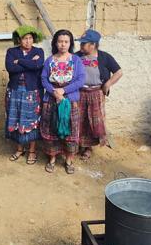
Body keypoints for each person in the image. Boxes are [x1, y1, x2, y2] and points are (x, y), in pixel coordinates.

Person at [40, 29, 86, 174]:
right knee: (51, 129)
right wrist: (54, 92)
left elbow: (81, 80)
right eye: (60, 41)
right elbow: (43, 79)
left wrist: (63, 91)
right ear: (55, 43)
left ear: (70, 43)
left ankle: (68, 160)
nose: (63, 44)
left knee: (71, 131)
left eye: (66, 42)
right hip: (51, 101)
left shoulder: (76, 60)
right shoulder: (50, 60)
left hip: (70, 101)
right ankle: (52, 159)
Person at [75, 29, 123, 161]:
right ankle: (77, 145)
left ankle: (88, 148)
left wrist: (108, 84)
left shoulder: (104, 57)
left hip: (96, 93)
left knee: (94, 121)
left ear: (93, 44)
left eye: (84, 44)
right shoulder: (77, 56)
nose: (81, 46)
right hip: (80, 93)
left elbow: (119, 72)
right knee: (79, 119)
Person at [4, 25, 45, 165]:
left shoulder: (39, 51)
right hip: (15, 91)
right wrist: (30, 62)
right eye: (24, 38)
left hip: (32, 92)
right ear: (18, 40)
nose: (28, 41)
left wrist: (20, 61)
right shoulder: (11, 51)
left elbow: (37, 66)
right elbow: (11, 68)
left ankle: (32, 151)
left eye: (30, 38)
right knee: (16, 119)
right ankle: (19, 149)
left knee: (32, 121)